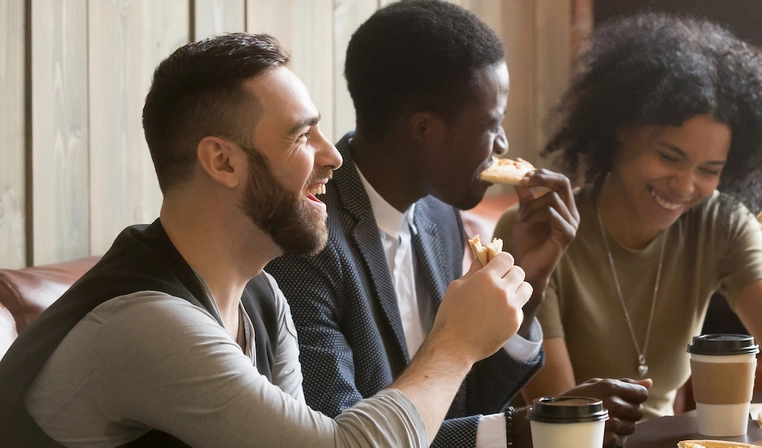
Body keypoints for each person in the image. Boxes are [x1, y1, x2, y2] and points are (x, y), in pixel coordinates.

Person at [0, 33, 534, 447]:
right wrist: (456, 344)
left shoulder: (262, 297)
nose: (333, 156)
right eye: (301, 135)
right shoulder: (146, 323)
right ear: (224, 161)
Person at [264, 0, 649, 448]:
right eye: (492, 123)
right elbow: (345, 438)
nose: (503, 143)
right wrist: (527, 430)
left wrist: (528, 284)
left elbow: (461, 405)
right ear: (424, 129)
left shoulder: (439, 215)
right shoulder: (306, 240)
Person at [500, 13, 762, 418]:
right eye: (669, 157)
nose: (684, 185)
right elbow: (562, 419)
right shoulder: (538, 232)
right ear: (621, 128)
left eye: (709, 170)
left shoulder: (720, 226)